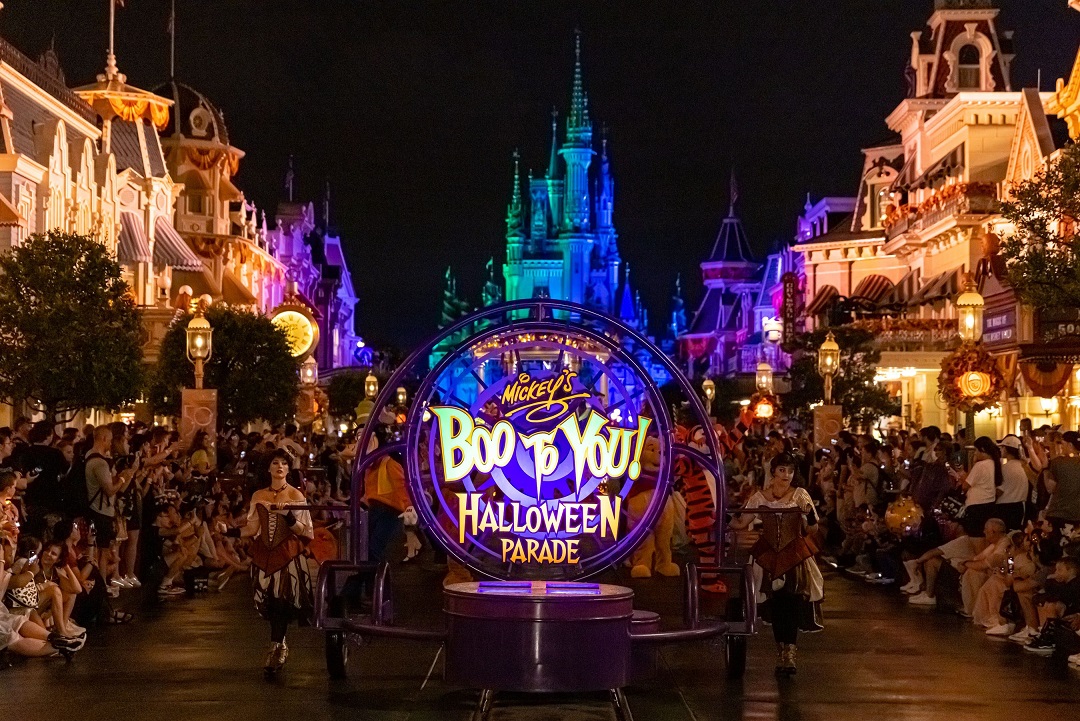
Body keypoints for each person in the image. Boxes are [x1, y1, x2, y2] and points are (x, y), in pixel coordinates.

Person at [728, 452, 823, 676]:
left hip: (794, 555)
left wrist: (808, 517)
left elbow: (813, 529)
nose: (786, 475)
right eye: (782, 470)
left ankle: (789, 653)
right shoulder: (760, 497)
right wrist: (723, 516)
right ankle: (781, 651)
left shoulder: (800, 495)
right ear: (773, 471)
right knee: (777, 605)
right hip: (768, 556)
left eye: (790, 471)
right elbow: (742, 523)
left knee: (791, 602)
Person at [224, 449, 313, 675]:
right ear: (269, 468)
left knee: (283, 601)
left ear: (289, 469)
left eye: (284, 463)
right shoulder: (258, 495)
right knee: (271, 602)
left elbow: (306, 531)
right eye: (275, 463)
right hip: (265, 554)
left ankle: (276, 646)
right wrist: (231, 532)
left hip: (287, 554)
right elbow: (253, 528)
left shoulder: (296, 496)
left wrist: (289, 518)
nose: (280, 467)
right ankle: (279, 643)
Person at [958, 437, 1001, 537]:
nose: (975, 453)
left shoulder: (980, 466)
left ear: (983, 449)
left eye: (976, 450)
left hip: (976, 506)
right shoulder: (994, 464)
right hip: (989, 503)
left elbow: (965, 485)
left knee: (975, 536)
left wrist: (964, 476)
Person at [995, 436, 1029, 530]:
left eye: (1002, 448)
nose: (1001, 450)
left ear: (1006, 449)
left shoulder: (1005, 468)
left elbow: (1000, 490)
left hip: (1005, 507)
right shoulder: (1024, 467)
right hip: (1020, 506)